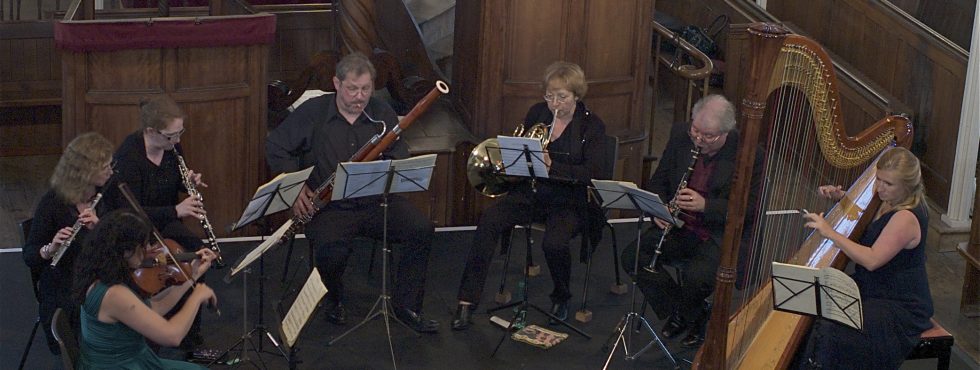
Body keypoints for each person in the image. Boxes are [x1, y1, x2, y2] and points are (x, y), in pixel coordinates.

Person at [266, 52, 439, 333]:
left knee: (421, 230)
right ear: (336, 83)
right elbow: (276, 146)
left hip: (375, 203)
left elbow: (399, 153)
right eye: (352, 89)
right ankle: (333, 299)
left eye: (366, 89)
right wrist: (295, 188)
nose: (360, 97)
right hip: (329, 207)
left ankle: (407, 306)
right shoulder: (313, 112)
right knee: (331, 249)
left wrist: (385, 165)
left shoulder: (381, 112)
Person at [452, 61, 607, 330]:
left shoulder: (591, 126)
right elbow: (519, 152)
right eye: (549, 95)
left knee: (554, 243)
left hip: (568, 201)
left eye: (562, 97)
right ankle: (467, 301)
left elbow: (592, 173)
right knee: (489, 221)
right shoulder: (537, 113)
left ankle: (561, 296)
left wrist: (552, 166)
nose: (554, 103)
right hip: (531, 193)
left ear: (577, 96)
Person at [796, 147, 933, 369]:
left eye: (888, 184)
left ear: (908, 186)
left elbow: (871, 259)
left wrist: (830, 232)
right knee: (812, 307)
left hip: (897, 302)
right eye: (878, 179)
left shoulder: (907, 217)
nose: (879, 187)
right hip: (871, 287)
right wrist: (842, 199)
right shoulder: (884, 198)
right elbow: (865, 218)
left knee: (834, 329)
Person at [620, 94, 739, 348]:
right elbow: (659, 180)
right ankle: (691, 313)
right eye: (696, 130)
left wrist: (706, 205)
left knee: (697, 277)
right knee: (633, 256)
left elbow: (747, 210)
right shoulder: (681, 134)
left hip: (716, 233)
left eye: (708, 136)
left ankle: (685, 312)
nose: (698, 139)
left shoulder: (747, 154)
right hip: (679, 225)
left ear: (725, 133)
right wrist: (659, 209)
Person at [112, 94, 211, 349]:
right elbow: (130, 210)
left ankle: (191, 338)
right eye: (171, 135)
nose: (177, 140)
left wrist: (188, 182)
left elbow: (171, 183)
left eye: (180, 133)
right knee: (161, 269)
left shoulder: (172, 148)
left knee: (196, 254)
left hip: (165, 223)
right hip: (137, 230)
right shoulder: (128, 157)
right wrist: (176, 211)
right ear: (149, 131)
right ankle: (152, 328)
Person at [72, 210, 218, 369]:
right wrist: (196, 297)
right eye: (144, 245)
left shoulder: (100, 274)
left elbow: (152, 308)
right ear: (125, 250)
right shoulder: (114, 294)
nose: (149, 250)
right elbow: (173, 336)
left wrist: (193, 276)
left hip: (124, 359)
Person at [23, 132, 116, 355]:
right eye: (105, 166)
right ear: (85, 172)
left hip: (100, 277)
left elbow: (123, 239)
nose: (111, 171)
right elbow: (30, 256)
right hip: (66, 285)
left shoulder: (107, 194)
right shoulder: (53, 203)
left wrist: (99, 227)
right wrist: (51, 248)